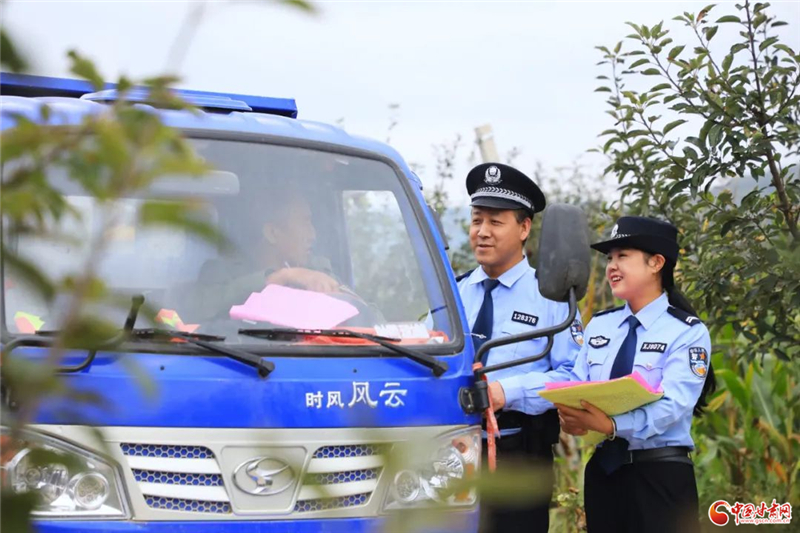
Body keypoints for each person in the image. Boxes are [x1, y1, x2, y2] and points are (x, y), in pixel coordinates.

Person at [554, 216, 716, 533]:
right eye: (609, 258)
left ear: (656, 263)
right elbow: (576, 384)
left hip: (660, 475)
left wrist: (613, 426)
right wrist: (570, 415)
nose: (612, 266)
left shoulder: (687, 332)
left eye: (623, 256)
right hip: (603, 473)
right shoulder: (600, 325)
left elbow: (674, 404)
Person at [457, 163, 583, 533]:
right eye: (477, 220)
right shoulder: (453, 292)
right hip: (452, 455)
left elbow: (574, 376)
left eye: (495, 222)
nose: (482, 232)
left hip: (518, 456)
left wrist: (506, 392)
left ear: (524, 228)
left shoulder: (551, 298)